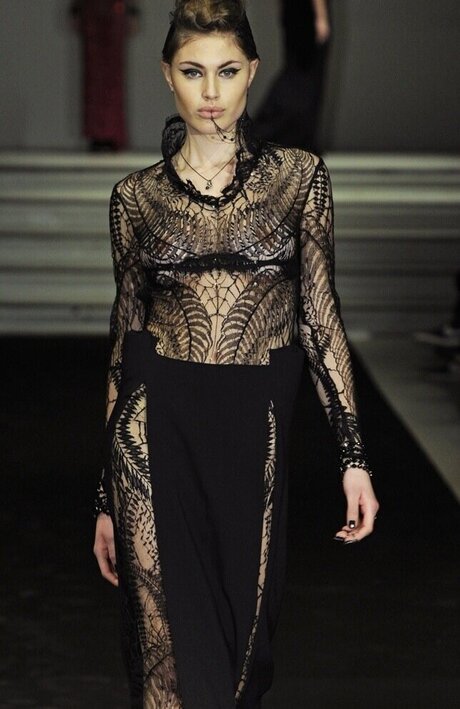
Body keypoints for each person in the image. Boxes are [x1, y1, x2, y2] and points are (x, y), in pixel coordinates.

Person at [92, 1, 379, 706]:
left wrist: (354, 457)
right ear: (168, 75)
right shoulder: (135, 199)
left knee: (238, 663)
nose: (211, 92)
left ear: (253, 72)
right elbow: (125, 339)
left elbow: (319, 317)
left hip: (254, 428)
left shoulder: (299, 180)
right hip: (152, 429)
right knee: (164, 661)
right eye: (193, 72)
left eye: (226, 71)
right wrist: (105, 496)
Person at [253, 0, 332, 153]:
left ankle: (294, 139)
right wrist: (321, 16)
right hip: (307, 14)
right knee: (306, 77)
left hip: (293, 11)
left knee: (298, 74)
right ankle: (264, 131)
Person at [70, 0, 141, 150]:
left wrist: (133, 12)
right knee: (93, 76)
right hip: (92, 12)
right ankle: (96, 133)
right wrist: (75, 10)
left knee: (113, 76)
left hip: (115, 11)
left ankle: (112, 133)